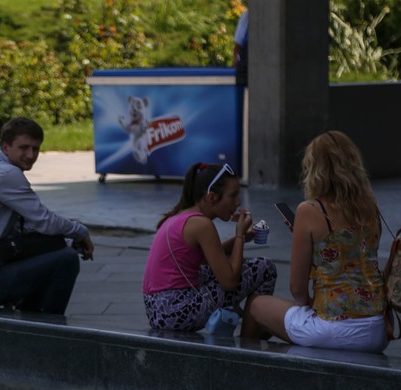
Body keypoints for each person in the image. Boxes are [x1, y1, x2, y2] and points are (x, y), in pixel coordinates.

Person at [244, 131, 388, 352]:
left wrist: (311, 304)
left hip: (335, 329)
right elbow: (350, 255)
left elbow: (298, 291)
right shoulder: (371, 206)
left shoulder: (310, 209)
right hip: (378, 327)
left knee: (256, 305)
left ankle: (240, 372)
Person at [0, 117, 94, 315]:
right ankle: (45, 330)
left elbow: (29, 228)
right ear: (6, 147)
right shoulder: (6, 174)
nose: (30, 155)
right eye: (23, 148)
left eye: (35, 149)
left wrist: (66, 240)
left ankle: (33, 320)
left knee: (60, 251)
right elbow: (45, 221)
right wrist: (80, 231)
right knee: (66, 260)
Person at [141, 162, 276, 333]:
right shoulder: (202, 225)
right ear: (212, 197)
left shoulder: (181, 216)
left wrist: (239, 240)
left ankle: (247, 319)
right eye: (233, 195)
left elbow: (209, 258)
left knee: (226, 264)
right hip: (176, 311)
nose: (238, 201)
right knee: (264, 268)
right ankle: (251, 337)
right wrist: (240, 234)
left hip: (158, 309)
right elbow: (230, 282)